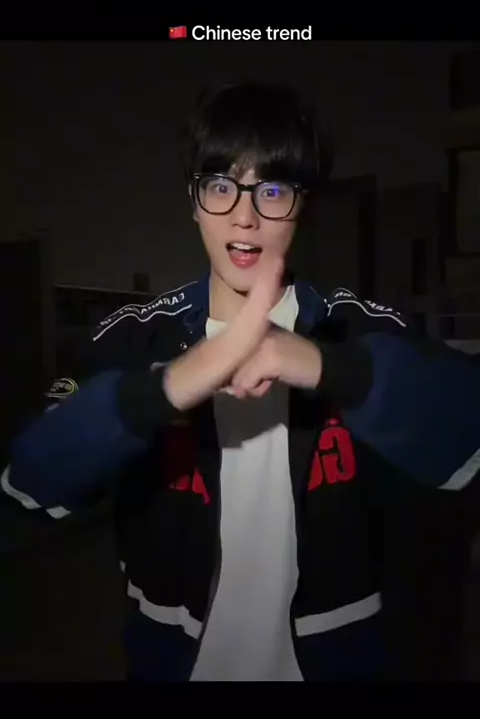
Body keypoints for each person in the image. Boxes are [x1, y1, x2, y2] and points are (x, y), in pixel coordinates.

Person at [2, 81, 479, 682]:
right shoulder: (133, 339)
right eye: (221, 186)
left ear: (303, 204)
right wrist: (168, 386)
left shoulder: (356, 328)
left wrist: (328, 367)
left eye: (273, 189)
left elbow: (466, 435)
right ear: (194, 201)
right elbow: (29, 481)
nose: (245, 216)